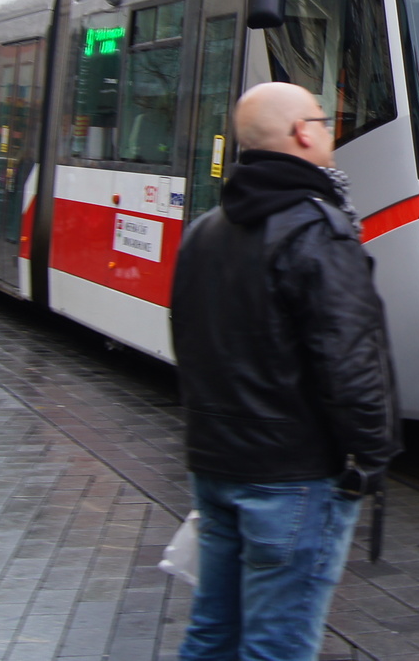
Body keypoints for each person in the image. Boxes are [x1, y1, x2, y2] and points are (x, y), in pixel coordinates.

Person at [171, 82, 398, 661]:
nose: (329, 132)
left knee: (213, 631)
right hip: (293, 476)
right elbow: (351, 359)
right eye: (323, 121)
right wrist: (370, 456)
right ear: (303, 133)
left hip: (216, 463)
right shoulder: (318, 231)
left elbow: (189, 342)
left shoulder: (204, 230)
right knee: (279, 644)